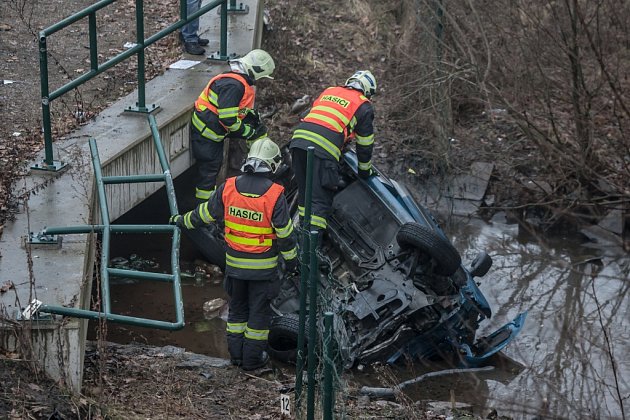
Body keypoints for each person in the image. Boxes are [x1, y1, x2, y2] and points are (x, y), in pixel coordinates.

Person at [170, 138, 298, 371]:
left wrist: (180, 220)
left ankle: (236, 358)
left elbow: (203, 215)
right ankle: (252, 362)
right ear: (272, 165)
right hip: (262, 270)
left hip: (235, 268)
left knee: (237, 311)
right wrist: (292, 261)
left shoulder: (228, 187)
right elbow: (285, 235)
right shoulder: (275, 194)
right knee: (258, 317)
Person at [289, 70, 376, 231]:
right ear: (368, 92)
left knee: (305, 194)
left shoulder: (330, 91)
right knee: (319, 202)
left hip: (298, 142)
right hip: (322, 150)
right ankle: (310, 250)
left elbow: (311, 115)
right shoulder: (363, 105)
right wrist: (364, 172)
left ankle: (299, 237)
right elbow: (364, 144)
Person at [190, 49, 275, 203]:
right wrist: (247, 132)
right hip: (207, 135)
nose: (259, 81)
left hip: (213, 129)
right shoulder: (234, 86)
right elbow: (228, 119)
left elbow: (234, 112)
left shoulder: (236, 82)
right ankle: (202, 215)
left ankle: (258, 160)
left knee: (257, 129)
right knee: (208, 176)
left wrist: (251, 123)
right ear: (255, 71)